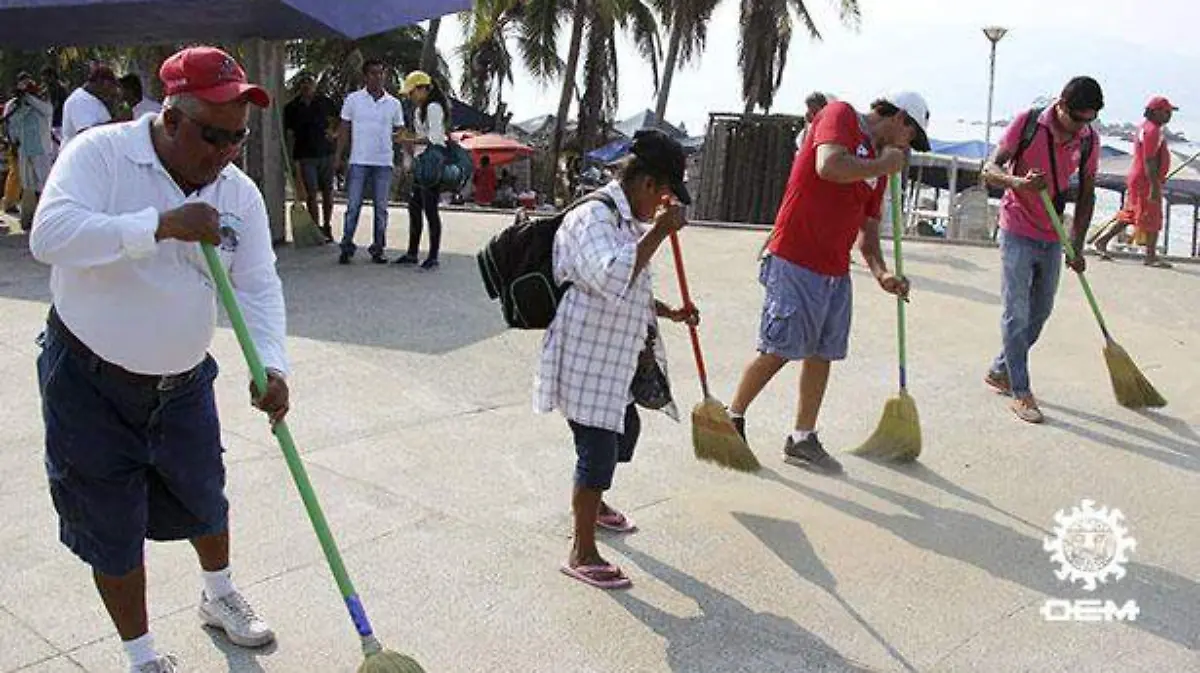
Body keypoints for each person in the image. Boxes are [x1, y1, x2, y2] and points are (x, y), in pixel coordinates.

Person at [30, 46, 289, 673]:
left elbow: (257, 284)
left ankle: (219, 595)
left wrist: (272, 364)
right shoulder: (100, 154)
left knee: (206, 497)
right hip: (88, 381)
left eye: (238, 138)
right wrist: (158, 225)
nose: (226, 153)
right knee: (110, 525)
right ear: (171, 118)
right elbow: (49, 235)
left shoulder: (240, 193)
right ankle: (141, 655)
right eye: (213, 136)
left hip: (183, 384)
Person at [727, 92, 928, 474]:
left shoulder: (879, 169)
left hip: (836, 270)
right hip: (794, 257)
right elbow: (829, 165)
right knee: (780, 348)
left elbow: (868, 234)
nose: (907, 147)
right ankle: (731, 416)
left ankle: (802, 438)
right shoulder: (842, 116)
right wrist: (882, 164)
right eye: (911, 137)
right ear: (900, 117)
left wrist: (882, 273)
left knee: (823, 353)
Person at [535, 129, 698, 590]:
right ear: (647, 183)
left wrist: (669, 311)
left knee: (624, 436)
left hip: (615, 360)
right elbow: (610, 278)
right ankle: (582, 550)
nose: (667, 205)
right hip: (587, 359)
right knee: (598, 452)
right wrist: (661, 232)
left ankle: (593, 499)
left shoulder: (625, 221)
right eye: (666, 193)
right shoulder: (595, 217)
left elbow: (631, 285)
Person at [981, 76, 1102, 424]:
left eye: (1089, 120)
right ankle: (1021, 391)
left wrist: (1076, 244)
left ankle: (1001, 370)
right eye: (1076, 118)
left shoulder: (1089, 139)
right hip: (1017, 226)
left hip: (1052, 233)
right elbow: (989, 170)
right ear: (1061, 105)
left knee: (1040, 312)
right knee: (1016, 312)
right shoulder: (1029, 122)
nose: (1081, 126)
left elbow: (1088, 194)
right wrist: (1019, 183)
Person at [334, 58, 405, 264]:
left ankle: (378, 248)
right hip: (359, 160)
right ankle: (347, 246)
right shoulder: (353, 100)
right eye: (373, 73)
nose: (378, 77)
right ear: (365, 76)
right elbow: (344, 129)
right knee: (353, 206)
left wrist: (402, 150)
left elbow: (400, 130)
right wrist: (338, 156)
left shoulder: (394, 104)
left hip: (383, 162)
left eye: (381, 73)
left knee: (381, 209)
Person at [1093, 96, 1177, 268]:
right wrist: (1154, 185)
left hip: (1140, 177)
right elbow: (1149, 160)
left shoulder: (1145, 128)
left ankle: (1102, 241)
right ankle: (1151, 256)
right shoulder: (1152, 130)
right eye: (1167, 112)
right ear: (1156, 112)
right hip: (1145, 180)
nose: (1169, 115)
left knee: (1132, 213)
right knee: (1152, 215)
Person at [394, 70, 449, 270]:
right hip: (421, 162)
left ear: (422, 89)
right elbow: (420, 138)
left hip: (431, 163)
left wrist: (408, 139)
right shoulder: (420, 110)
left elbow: (434, 138)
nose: (410, 96)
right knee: (415, 207)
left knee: (430, 209)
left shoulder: (433, 108)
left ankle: (433, 256)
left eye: (412, 92)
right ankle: (412, 252)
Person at [283, 72, 338, 241]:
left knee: (328, 192)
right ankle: (315, 228)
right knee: (311, 193)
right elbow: (289, 134)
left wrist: (334, 133)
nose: (306, 86)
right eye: (303, 83)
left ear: (315, 85)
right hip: (305, 156)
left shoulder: (325, 102)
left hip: (326, 153)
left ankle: (327, 225)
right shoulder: (292, 107)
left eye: (310, 83)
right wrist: (290, 160)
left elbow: (339, 121)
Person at [6, 72, 56, 219]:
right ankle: (28, 216)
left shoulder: (41, 101)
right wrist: (21, 103)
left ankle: (46, 213)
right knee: (27, 184)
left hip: (41, 149)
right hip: (24, 149)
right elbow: (11, 124)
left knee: (44, 181)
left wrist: (29, 98)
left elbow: (48, 111)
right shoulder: (14, 104)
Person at [61, 62, 120, 146]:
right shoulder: (78, 100)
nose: (111, 91)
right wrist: (118, 122)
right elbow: (87, 134)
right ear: (100, 82)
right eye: (110, 86)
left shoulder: (94, 98)